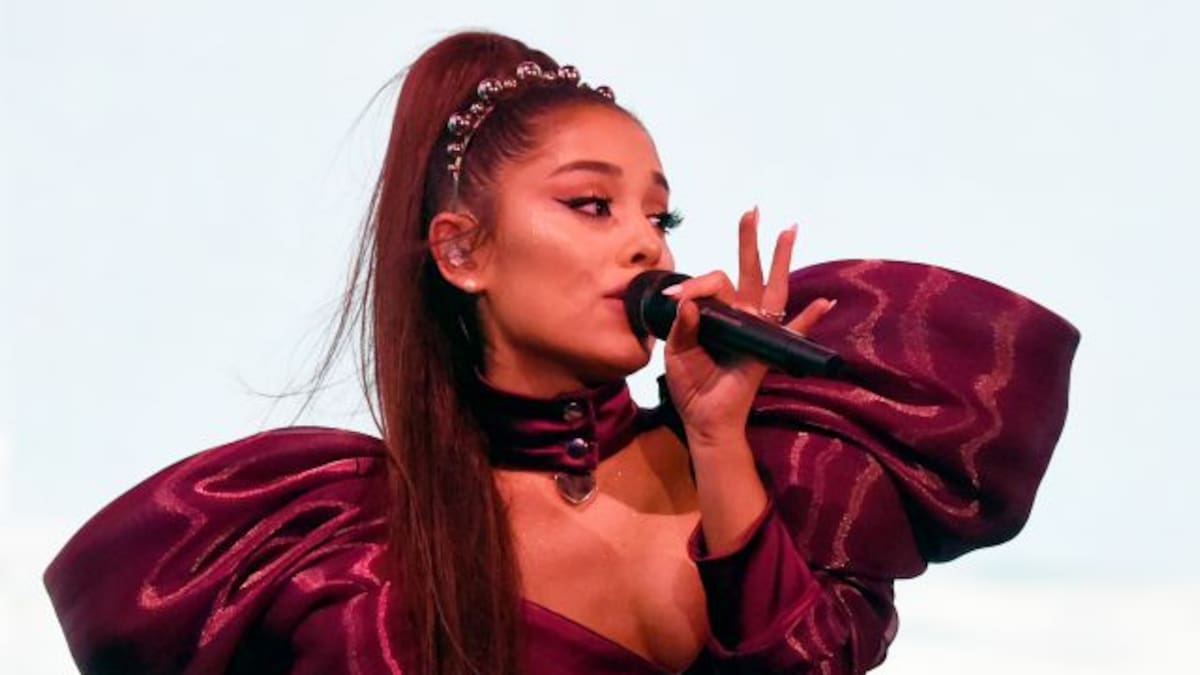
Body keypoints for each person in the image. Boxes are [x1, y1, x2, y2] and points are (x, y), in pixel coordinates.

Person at [43, 30, 1081, 675]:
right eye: (591, 205)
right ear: (461, 251)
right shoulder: (340, 547)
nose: (646, 246)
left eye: (661, 217)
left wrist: (722, 441)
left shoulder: (772, 476)